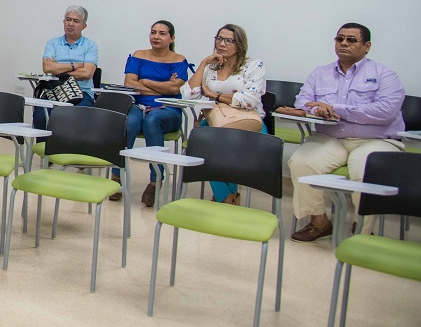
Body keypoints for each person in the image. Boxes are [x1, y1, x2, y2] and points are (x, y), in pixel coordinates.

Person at [282, 23, 405, 243]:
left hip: (374, 140)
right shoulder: (320, 73)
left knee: (364, 172)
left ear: (366, 46)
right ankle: (319, 222)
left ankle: (362, 229)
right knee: (301, 162)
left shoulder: (384, 74)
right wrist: (316, 108)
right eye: (339, 39)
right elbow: (302, 101)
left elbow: (385, 111)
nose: (344, 44)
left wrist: (336, 109)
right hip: (331, 139)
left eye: (351, 40)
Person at [111, 20, 191, 206]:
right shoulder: (139, 55)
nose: (156, 36)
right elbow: (130, 83)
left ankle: (156, 181)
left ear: (171, 38)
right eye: (153, 32)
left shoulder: (179, 60)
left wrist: (144, 81)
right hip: (138, 105)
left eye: (162, 33)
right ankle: (116, 176)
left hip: (168, 110)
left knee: (152, 120)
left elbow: (173, 90)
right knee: (129, 122)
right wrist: (161, 88)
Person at [187, 23, 266, 206]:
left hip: (247, 121)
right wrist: (203, 63)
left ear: (239, 44)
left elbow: (249, 100)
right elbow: (189, 94)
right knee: (200, 143)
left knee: (229, 147)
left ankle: (224, 197)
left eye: (229, 40)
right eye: (219, 39)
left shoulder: (253, 65)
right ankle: (228, 198)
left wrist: (214, 95)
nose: (222, 44)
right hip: (216, 120)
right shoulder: (211, 66)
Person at [34, 5, 98, 127]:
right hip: (55, 90)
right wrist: (76, 65)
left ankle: (70, 146)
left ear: (84, 26)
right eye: (68, 19)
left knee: (73, 117)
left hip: (82, 92)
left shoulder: (90, 46)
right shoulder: (52, 43)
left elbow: (87, 73)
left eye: (76, 21)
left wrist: (58, 70)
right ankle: (43, 146)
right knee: (40, 114)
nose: (71, 24)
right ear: (63, 22)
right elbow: (47, 68)